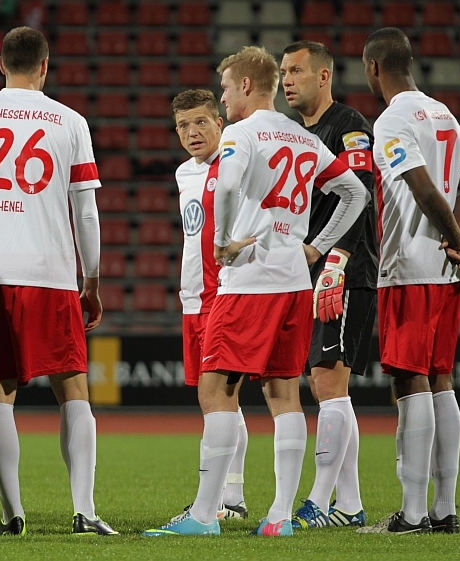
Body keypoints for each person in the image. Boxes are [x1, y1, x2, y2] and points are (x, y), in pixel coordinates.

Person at [146, 46, 368, 538]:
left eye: (225, 87)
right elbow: (356, 193)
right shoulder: (300, 135)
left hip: (248, 284)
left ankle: (205, 516)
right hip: (293, 281)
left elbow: (225, 189)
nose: (223, 98)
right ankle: (280, 518)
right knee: (283, 393)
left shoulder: (243, 134)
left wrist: (224, 241)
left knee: (216, 390)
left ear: (246, 85)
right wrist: (316, 247)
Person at [0, 27, 116, 536]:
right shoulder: (70, 121)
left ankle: (12, 515)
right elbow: (87, 212)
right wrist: (93, 279)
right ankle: (84, 511)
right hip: (52, 273)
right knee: (73, 389)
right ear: (44, 65)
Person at [358, 27, 460, 535]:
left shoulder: (393, 118)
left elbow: (420, 189)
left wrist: (457, 238)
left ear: (373, 67)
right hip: (445, 267)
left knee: (408, 379)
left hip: (410, 265)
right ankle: (444, 509)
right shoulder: (444, 114)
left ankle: (413, 514)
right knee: (441, 379)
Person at [279, 40, 377, 530]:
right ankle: (351, 505)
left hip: (342, 270)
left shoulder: (350, 127)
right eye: (282, 73)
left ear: (324, 76)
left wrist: (334, 259)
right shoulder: (298, 133)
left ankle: (318, 501)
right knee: (329, 387)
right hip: (313, 270)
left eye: (296, 71)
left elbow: (362, 198)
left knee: (327, 382)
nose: (287, 81)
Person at [150, 89, 250, 532]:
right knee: (218, 402)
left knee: (219, 398)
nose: (192, 132)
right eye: (183, 126)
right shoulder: (183, 174)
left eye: (200, 122)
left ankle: (227, 499)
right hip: (194, 297)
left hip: (225, 294)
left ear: (219, 123)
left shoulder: (235, 165)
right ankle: (229, 498)